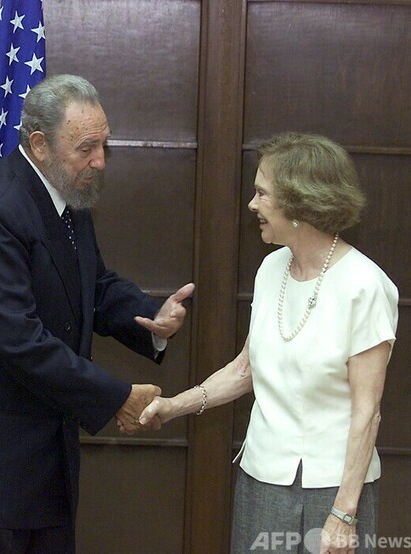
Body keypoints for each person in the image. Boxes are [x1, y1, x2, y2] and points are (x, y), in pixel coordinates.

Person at [0, 74, 195, 553]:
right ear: (39, 144)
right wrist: (117, 397)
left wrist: (152, 315)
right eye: (86, 148)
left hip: (46, 461)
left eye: (104, 145)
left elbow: (92, 286)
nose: (100, 161)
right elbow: (19, 340)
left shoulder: (67, 194)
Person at [140, 132, 398, 553]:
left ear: (299, 204)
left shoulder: (364, 286)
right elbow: (246, 368)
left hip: (335, 490)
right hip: (262, 479)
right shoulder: (271, 268)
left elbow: (367, 412)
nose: (252, 204)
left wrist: (344, 515)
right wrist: (173, 406)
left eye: (262, 193)